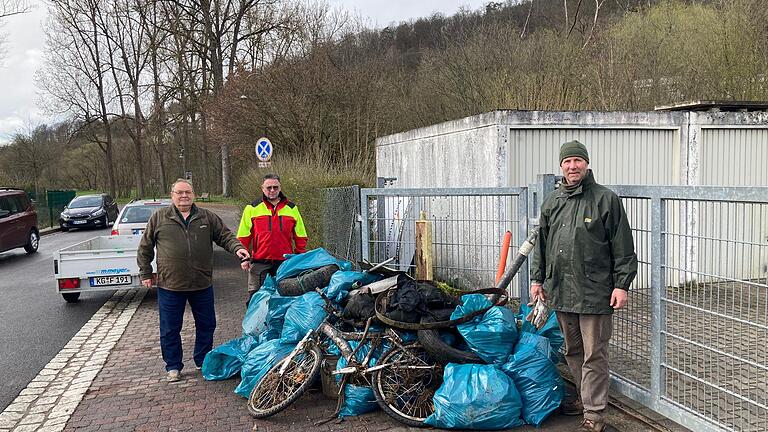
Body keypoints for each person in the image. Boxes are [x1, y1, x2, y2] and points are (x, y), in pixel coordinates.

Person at [530, 140, 638, 432]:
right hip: (562, 291)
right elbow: (541, 245)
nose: (573, 166)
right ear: (561, 166)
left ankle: (594, 414)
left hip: (595, 293)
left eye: (578, 160)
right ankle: (584, 397)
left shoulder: (605, 199)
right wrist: (537, 279)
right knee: (573, 351)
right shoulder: (553, 201)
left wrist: (621, 285)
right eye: (567, 161)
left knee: (594, 354)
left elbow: (623, 247)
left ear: (587, 164)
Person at [137, 179, 250, 382]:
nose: (184, 196)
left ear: (193, 194)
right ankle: (173, 366)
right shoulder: (160, 217)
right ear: (172, 195)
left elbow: (225, 236)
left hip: (201, 283)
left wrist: (237, 248)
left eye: (187, 192)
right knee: (170, 328)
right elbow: (145, 247)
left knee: (207, 323)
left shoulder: (206, 217)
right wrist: (145, 273)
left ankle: (202, 359)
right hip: (171, 285)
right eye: (179, 192)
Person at [237, 173, 308, 303]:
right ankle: (256, 323)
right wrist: (244, 259)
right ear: (262, 188)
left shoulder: (292, 208)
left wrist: (299, 257)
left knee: (285, 297)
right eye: (268, 187)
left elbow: (300, 236)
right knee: (255, 298)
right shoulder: (252, 208)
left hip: (284, 262)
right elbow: (244, 236)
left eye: (275, 187)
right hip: (259, 261)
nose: (272, 190)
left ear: (280, 188)